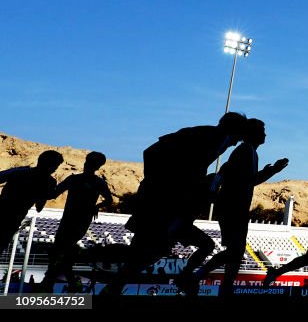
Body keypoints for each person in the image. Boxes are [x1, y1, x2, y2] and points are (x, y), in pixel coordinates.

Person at [98, 112, 248, 295]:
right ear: (234, 130)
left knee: (148, 252)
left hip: (166, 201)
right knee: (147, 251)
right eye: (239, 137)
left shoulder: (207, 137)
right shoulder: (212, 138)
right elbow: (156, 154)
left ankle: (111, 285)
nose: (237, 142)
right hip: (164, 204)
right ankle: (87, 259)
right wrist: (163, 186)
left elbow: (160, 155)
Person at [181, 119, 288, 295]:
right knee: (235, 251)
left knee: (236, 252)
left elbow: (234, 175)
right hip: (233, 208)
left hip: (235, 207)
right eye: (262, 131)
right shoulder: (245, 150)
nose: (265, 134)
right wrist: (272, 170)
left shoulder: (249, 151)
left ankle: (223, 286)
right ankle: (197, 277)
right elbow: (246, 178)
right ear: (253, 133)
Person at [41, 151, 113, 291]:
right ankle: (66, 281)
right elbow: (108, 200)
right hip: (79, 220)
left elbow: (52, 194)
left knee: (60, 250)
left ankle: (51, 281)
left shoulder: (75, 180)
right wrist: (96, 207)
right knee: (62, 251)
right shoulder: (97, 182)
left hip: (72, 220)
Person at [0, 151, 64, 250]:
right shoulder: (49, 181)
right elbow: (39, 207)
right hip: (13, 220)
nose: (55, 169)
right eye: (55, 166)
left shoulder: (19, 171)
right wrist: (55, 191)